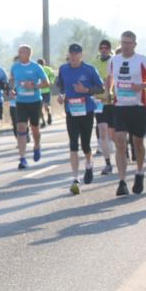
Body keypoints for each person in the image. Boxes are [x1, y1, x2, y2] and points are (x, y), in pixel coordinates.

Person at [106, 31, 146, 196]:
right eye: (123, 42)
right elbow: (109, 78)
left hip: (138, 107)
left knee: (138, 143)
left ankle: (139, 172)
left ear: (134, 44)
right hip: (120, 107)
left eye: (128, 43)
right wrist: (109, 90)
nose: (125, 45)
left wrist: (142, 86)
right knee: (120, 142)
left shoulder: (143, 60)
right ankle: (122, 181)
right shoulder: (114, 60)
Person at [55, 43, 104, 194]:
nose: (74, 57)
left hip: (87, 110)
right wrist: (62, 95)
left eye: (77, 54)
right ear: (68, 55)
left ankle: (89, 163)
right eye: (72, 54)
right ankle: (75, 178)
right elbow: (61, 86)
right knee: (73, 144)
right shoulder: (63, 69)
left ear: (81, 55)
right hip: (71, 111)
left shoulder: (89, 70)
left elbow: (101, 88)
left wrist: (86, 90)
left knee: (85, 145)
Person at [9, 45, 48, 169]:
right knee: (21, 128)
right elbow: (12, 81)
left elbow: (46, 82)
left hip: (35, 101)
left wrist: (35, 87)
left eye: (22, 52)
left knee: (35, 128)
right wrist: (13, 91)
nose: (20, 54)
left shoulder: (36, 67)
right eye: (19, 52)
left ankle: (37, 145)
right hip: (20, 102)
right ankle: (22, 158)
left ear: (29, 54)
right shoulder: (15, 67)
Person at [91, 39, 115, 174]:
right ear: (99, 49)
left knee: (115, 134)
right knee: (103, 131)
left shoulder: (116, 61)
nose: (104, 49)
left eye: (106, 47)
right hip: (100, 102)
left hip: (114, 102)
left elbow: (112, 78)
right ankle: (108, 163)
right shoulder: (94, 64)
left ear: (110, 49)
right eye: (102, 47)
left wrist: (109, 91)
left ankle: (124, 152)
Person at [37, 58, 56, 126]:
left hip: (46, 91)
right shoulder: (36, 69)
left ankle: (49, 115)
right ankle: (43, 121)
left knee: (46, 106)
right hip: (38, 91)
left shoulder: (48, 69)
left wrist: (50, 82)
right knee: (39, 108)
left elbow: (52, 76)